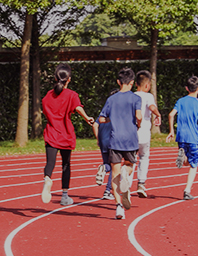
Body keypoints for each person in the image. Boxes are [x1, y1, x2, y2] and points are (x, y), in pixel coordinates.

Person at [41, 63, 94, 206]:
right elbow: (77, 108)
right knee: (66, 164)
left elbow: (45, 110)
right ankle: (64, 196)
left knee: (50, 163)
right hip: (65, 134)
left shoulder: (48, 96)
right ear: (69, 79)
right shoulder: (72, 95)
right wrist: (87, 117)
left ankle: (47, 178)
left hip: (51, 133)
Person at [98, 67, 142, 220]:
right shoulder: (136, 98)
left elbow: (102, 119)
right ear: (132, 82)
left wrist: (112, 119)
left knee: (114, 175)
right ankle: (126, 171)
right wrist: (139, 123)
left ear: (118, 82)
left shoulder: (111, 99)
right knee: (129, 166)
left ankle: (118, 208)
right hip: (130, 139)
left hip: (115, 140)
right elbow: (139, 115)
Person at [165, 74, 198, 201]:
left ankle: (183, 157)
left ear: (186, 88)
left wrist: (171, 131)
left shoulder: (180, 101)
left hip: (181, 136)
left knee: (186, 159)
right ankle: (187, 190)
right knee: (194, 165)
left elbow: (171, 114)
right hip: (193, 137)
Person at [131, 70, 161, 198]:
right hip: (144, 134)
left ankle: (126, 184)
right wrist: (158, 114)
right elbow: (152, 107)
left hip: (132, 133)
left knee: (130, 159)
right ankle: (141, 183)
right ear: (147, 85)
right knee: (143, 157)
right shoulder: (148, 96)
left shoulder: (131, 95)